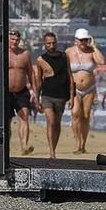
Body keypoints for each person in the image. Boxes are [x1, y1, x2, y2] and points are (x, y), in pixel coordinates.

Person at [67, 27, 106, 154]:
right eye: (81, 40)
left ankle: (83, 144)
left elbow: (101, 61)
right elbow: (64, 70)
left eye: (86, 40)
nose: (84, 43)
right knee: (75, 114)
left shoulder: (91, 51)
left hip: (89, 89)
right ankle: (77, 142)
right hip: (75, 88)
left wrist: (94, 46)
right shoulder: (69, 52)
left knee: (85, 115)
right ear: (76, 40)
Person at [32, 30, 71, 158]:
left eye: (53, 43)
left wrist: (73, 97)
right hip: (47, 95)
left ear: (56, 43)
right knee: (51, 121)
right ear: (44, 44)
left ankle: (54, 147)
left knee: (57, 123)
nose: (51, 45)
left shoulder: (64, 56)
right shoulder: (41, 60)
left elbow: (70, 76)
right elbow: (38, 81)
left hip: (62, 96)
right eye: (48, 43)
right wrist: (36, 99)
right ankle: (51, 152)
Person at [6, 31, 38, 155]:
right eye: (12, 39)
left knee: (24, 116)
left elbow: (30, 73)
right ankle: (6, 148)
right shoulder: (4, 53)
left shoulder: (25, 54)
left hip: (21, 91)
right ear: (8, 39)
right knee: (6, 120)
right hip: (6, 92)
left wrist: (34, 92)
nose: (14, 42)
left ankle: (24, 146)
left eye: (16, 40)